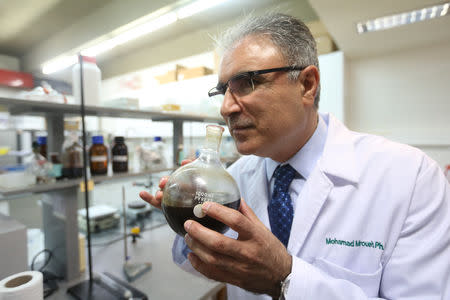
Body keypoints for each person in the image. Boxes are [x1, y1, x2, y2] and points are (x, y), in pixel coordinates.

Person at [140, 13, 450, 299]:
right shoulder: (233, 178)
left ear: (307, 84)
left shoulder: (410, 178)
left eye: (248, 82)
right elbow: (204, 266)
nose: (226, 108)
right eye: (223, 91)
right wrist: (186, 223)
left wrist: (284, 277)